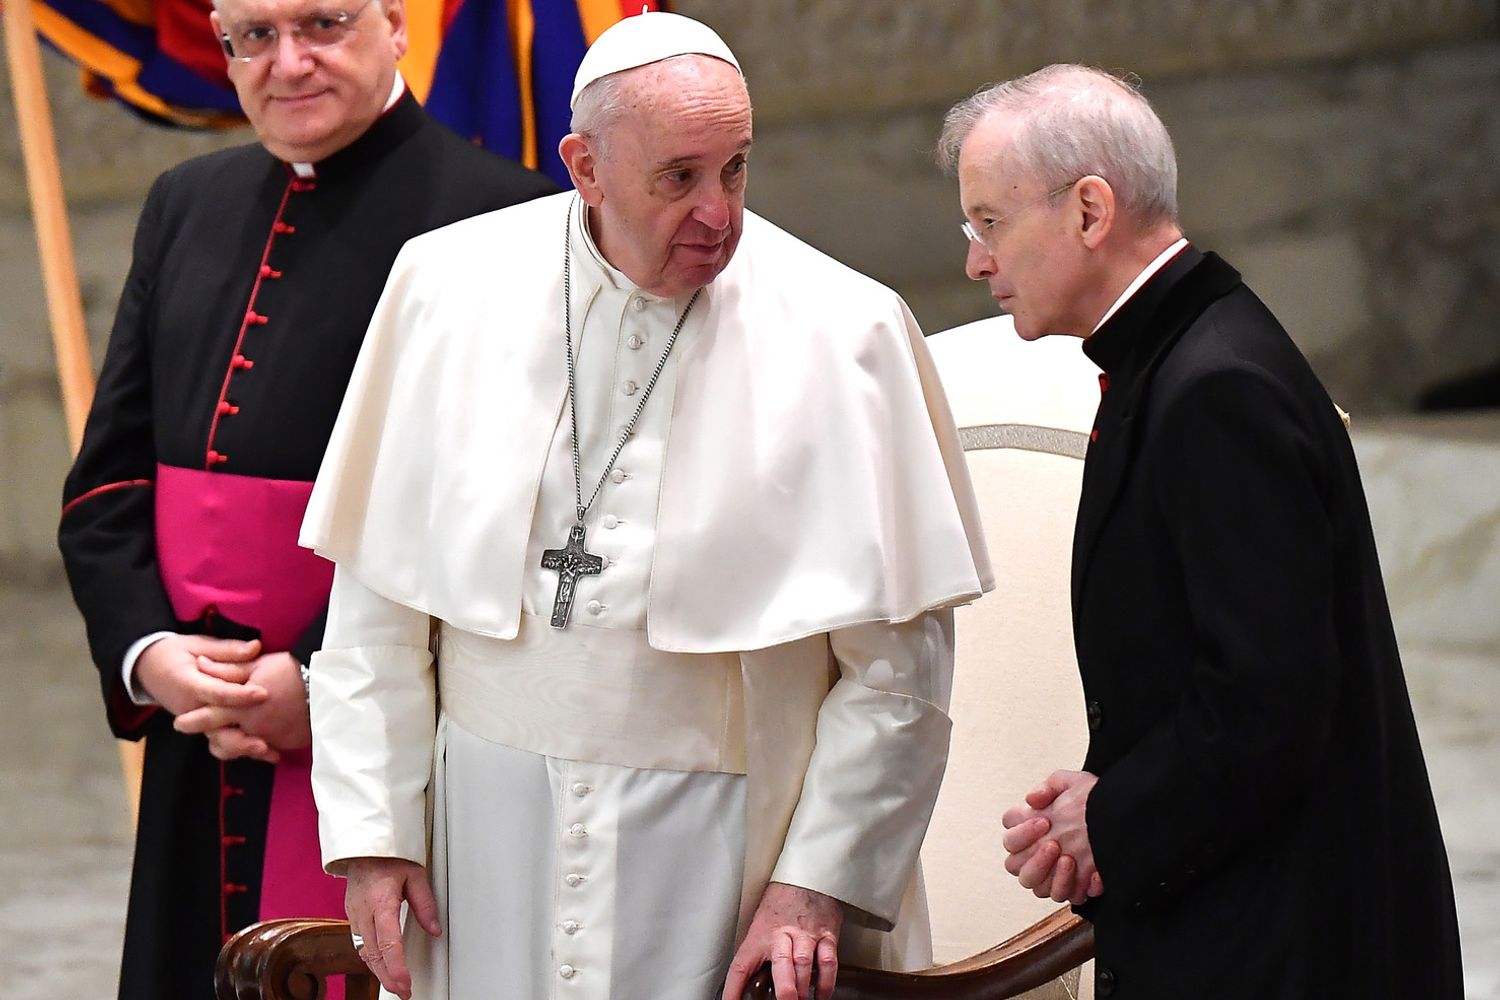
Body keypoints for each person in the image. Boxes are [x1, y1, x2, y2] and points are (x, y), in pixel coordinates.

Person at [299, 11, 992, 1000]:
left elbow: (900, 671)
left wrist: (814, 884)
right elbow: (375, 609)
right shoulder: (444, 290)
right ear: (585, 165)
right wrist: (373, 834)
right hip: (483, 842)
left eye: (737, 168)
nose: (720, 212)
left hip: (720, 854)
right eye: (679, 177)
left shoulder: (849, 333)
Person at [56, 0, 554, 994]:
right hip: (201, 743)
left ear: (396, 23)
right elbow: (106, 482)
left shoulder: (512, 219)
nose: (289, 63)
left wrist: (322, 686)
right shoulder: (184, 201)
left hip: (393, 748)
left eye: (322, 24)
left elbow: (502, 506)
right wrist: (154, 657)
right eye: (253, 36)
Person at [936, 64, 1464, 998]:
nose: (978, 259)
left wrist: (1113, 821)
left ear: (1090, 211)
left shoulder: (1216, 388)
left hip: (1281, 949)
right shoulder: (1178, 356)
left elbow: (1272, 695)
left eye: (990, 221)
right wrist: (1103, 794)